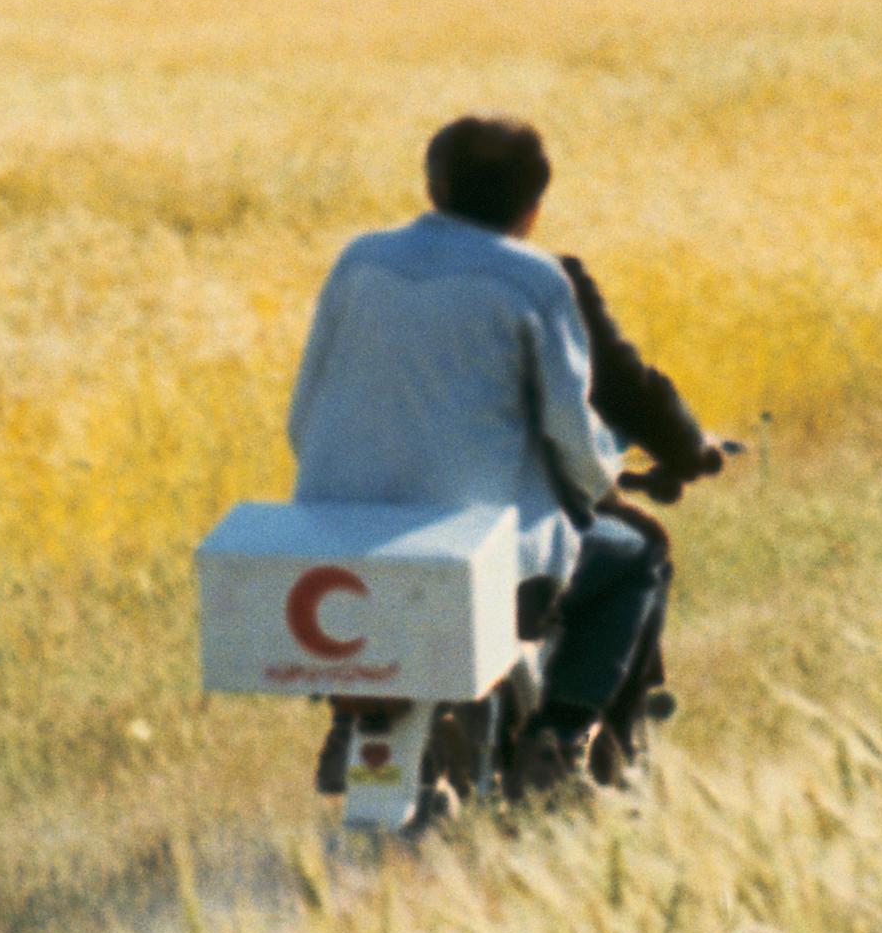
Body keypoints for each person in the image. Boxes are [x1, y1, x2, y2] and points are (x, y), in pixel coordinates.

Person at [286, 115, 720, 787]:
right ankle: (561, 737)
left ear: (432, 186)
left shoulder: (359, 261)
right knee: (638, 555)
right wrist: (604, 491)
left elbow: (301, 418)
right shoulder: (533, 281)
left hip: (338, 545)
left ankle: (353, 719)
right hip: (483, 556)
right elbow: (571, 436)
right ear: (534, 206)